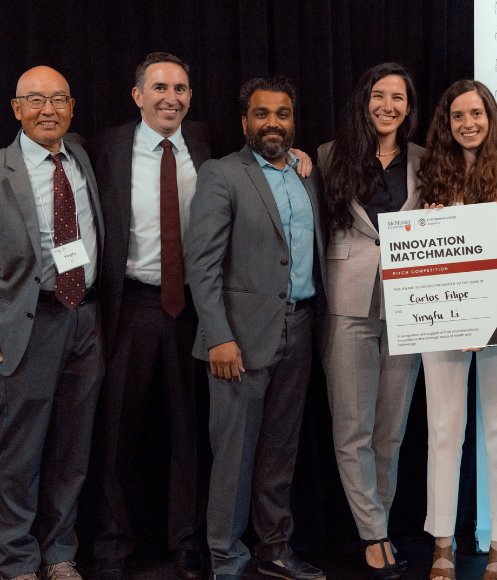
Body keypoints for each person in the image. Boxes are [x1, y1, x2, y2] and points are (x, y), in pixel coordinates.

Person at [0, 66, 104, 580]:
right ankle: (16, 559)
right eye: (35, 100)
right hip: (28, 326)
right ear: (16, 108)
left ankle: (60, 553)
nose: (48, 110)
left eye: (58, 99)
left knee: (73, 451)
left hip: (85, 321)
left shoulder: (80, 154)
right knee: (20, 454)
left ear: (72, 107)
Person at [184, 76, 326, 580]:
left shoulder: (307, 174)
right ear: (245, 122)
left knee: (280, 452)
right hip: (238, 339)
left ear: (293, 120)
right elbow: (201, 266)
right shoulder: (221, 175)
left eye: (282, 114)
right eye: (262, 114)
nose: (272, 123)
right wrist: (218, 336)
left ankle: (275, 549)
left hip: (302, 328)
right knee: (234, 456)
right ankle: (224, 556)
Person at [85, 52, 211, 580]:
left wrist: (297, 155)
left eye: (180, 88)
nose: (171, 97)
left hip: (193, 309)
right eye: (160, 87)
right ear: (138, 95)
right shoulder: (102, 147)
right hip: (129, 306)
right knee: (116, 433)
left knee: (190, 434)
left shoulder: (208, 145)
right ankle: (113, 545)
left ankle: (186, 544)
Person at [418, 79, 497, 580]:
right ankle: (442, 542)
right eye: (457, 116)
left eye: (476, 114)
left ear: (491, 118)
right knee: (443, 428)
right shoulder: (432, 170)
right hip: (443, 317)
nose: (468, 124)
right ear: (446, 123)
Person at [316, 62, 422, 580]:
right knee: (352, 429)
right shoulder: (327, 157)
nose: (388, 106)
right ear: (365, 101)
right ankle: (373, 534)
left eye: (398, 98)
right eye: (379, 95)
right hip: (348, 302)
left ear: (409, 105)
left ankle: (378, 521)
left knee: (392, 432)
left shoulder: (428, 160)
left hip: (413, 306)